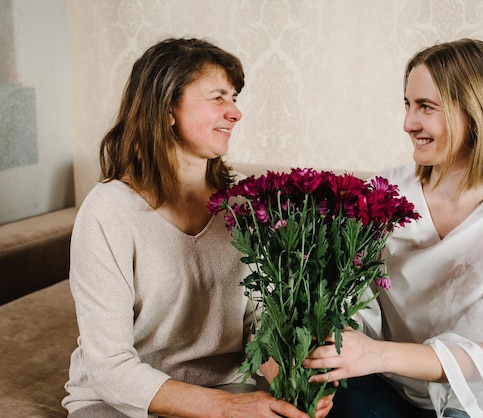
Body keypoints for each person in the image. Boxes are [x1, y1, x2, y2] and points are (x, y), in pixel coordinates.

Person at [62, 37, 332, 418]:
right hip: (120, 402)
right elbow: (109, 368)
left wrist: (294, 380)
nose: (235, 112)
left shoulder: (240, 208)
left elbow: (256, 325)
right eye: (218, 97)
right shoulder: (109, 210)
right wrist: (229, 408)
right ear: (167, 108)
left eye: (235, 98)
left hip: (226, 387)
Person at [305, 38, 483, 418]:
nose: (409, 123)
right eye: (408, 105)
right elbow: (350, 297)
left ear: (476, 113)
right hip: (383, 382)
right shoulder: (384, 193)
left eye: (426, 107)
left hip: (472, 399)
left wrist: (374, 354)